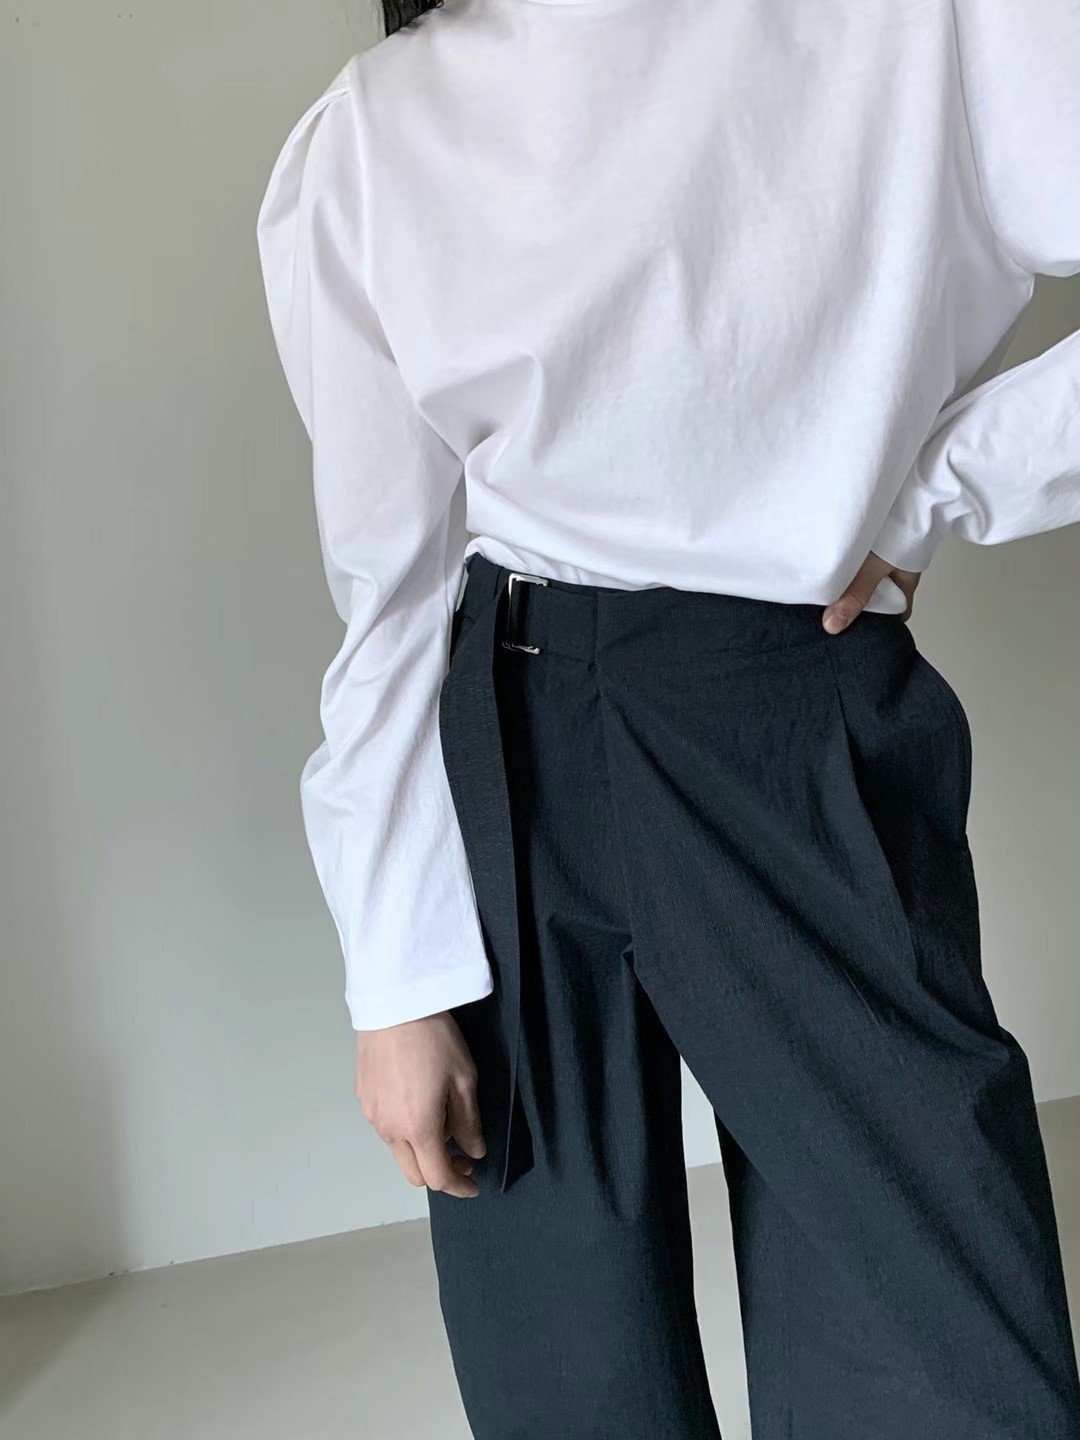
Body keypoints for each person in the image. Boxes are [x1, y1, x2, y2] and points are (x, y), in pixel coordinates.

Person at [256, 0, 1080, 1434]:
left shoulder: (929, 24)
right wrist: (393, 979)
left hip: (783, 707)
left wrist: (937, 491)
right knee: (563, 1362)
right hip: (501, 724)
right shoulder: (380, 126)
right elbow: (389, 584)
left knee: (934, 1354)